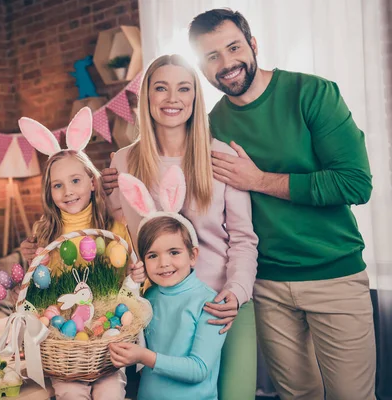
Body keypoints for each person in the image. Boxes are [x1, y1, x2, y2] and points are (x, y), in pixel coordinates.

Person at [188, 8, 376, 400]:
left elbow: (356, 183)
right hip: (266, 285)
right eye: (212, 57)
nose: (226, 64)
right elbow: (175, 178)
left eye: (233, 47)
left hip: (334, 276)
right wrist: (115, 180)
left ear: (253, 45)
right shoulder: (210, 127)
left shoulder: (313, 93)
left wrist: (258, 181)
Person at [100, 54, 259, 399]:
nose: (172, 98)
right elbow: (121, 238)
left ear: (195, 97)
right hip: (160, 310)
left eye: (183, 88)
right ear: (147, 98)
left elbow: (244, 241)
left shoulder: (221, 158)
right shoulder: (122, 162)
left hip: (222, 307)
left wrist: (235, 293)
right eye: (161, 88)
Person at [17, 107, 131, 400]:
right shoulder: (44, 231)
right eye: (58, 185)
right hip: (65, 347)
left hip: (106, 343)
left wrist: (136, 273)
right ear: (49, 192)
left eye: (76, 181)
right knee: (70, 394)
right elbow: (38, 291)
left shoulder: (114, 225)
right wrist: (29, 256)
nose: (68, 192)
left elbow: (128, 281)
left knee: (110, 394)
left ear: (92, 182)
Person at [109, 166, 226, 400]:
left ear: (193, 255)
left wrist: (144, 356)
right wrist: (133, 284)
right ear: (143, 261)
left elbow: (199, 369)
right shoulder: (148, 299)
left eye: (174, 252)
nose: (164, 263)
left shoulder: (209, 302)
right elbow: (120, 314)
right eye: (153, 255)